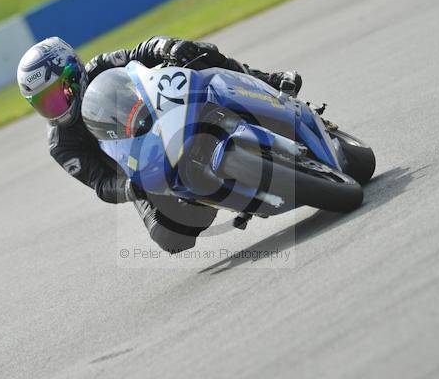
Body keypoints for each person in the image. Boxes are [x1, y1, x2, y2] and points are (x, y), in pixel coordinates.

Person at [16, 36, 302, 253]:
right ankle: (218, 194)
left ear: (74, 72)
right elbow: (101, 184)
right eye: (44, 104)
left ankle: (268, 80)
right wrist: (131, 187)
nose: (55, 108)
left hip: (168, 111)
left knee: (198, 52)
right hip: (141, 169)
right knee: (171, 239)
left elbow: (140, 52)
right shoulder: (61, 144)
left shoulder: (100, 67)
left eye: (58, 95)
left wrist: (168, 48)